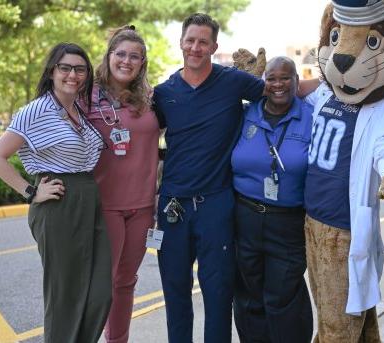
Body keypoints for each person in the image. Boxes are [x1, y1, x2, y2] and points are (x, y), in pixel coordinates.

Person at [0, 43, 111, 343]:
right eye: (65, 68)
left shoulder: (78, 108)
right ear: (52, 71)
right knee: (64, 295)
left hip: (88, 197)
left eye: (80, 69)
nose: (73, 75)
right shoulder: (36, 110)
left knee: (100, 293)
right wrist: (31, 192)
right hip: (59, 203)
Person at [152, 13, 265, 343]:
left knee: (218, 295)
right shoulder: (163, 92)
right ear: (181, 43)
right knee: (175, 294)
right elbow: (143, 138)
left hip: (217, 204)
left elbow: (281, 92)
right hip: (173, 206)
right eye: (190, 40)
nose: (196, 47)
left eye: (203, 42)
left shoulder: (233, 82)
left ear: (214, 46)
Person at [85, 26, 159, 343]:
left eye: (134, 56)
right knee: (103, 281)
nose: (126, 61)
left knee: (126, 280)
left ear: (142, 63)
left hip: (143, 206)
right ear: (109, 56)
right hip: (105, 205)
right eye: (120, 54)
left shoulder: (152, 98)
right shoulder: (84, 95)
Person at [231, 57, 313, 343]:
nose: (277, 84)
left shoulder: (312, 118)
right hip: (245, 216)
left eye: (285, 78)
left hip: (288, 222)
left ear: (296, 82)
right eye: (271, 78)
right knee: (248, 296)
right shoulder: (245, 114)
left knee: (283, 297)